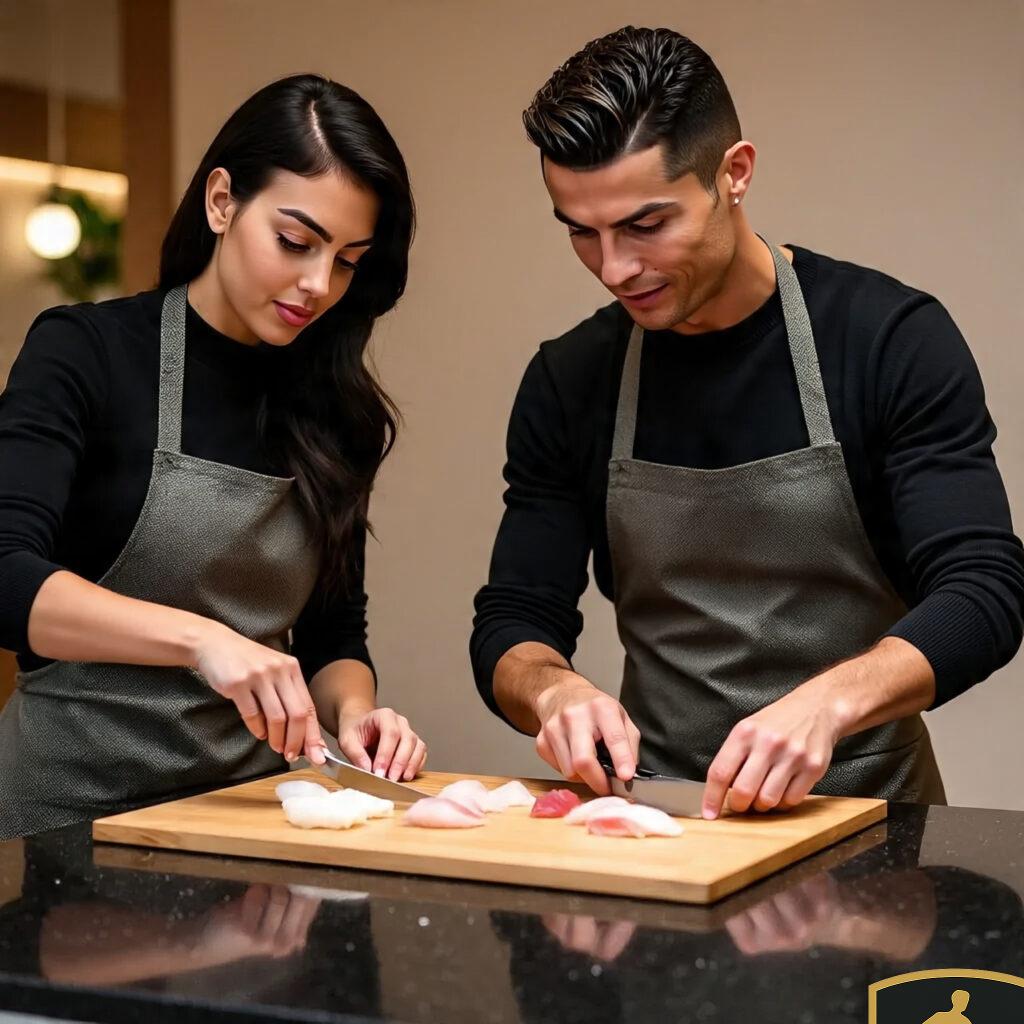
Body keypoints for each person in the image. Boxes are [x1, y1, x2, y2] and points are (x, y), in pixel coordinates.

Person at [470, 27, 1024, 817]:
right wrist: (552, 690)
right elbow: (517, 618)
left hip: (871, 826)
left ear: (734, 174)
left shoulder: (887, 340)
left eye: (645, 225)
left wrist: (827, 706)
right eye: (580, 231)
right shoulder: (572, 379)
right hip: (662, 820)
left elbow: (985, 592)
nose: (615, 267)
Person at [0, 74, 426, 840]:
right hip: (64, 822)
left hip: (244, 820)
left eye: (348, 259)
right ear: (222, 201)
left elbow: (332, 635)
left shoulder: (336, 411)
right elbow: (3, 574)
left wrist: (356, 714)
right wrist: (204, 641)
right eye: (295, 242)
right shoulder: (86, 353)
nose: (317, 284)